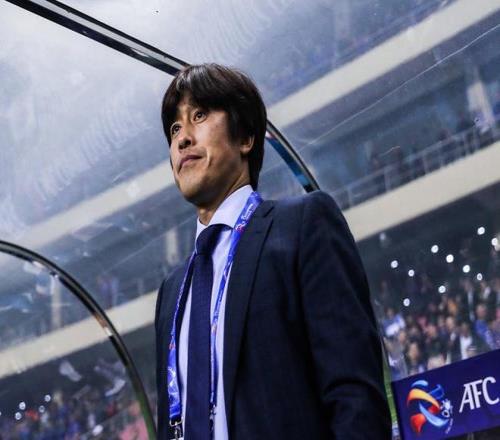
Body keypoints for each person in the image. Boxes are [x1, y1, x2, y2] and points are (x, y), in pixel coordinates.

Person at [155, 63, 391, 440]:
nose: (182, 138)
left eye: (199, 115)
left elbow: (355, 395)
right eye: (174, 128)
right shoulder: (171, 291)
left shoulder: (302, 225)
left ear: (246, 137)